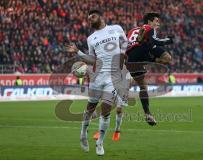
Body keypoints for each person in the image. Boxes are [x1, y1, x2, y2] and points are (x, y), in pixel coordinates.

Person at [66, 9, 127, 156]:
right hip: (97, 77)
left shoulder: (116, 29)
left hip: (112, 78)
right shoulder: (91, 38)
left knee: (106, 111)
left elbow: (125, 43)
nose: (90, 19)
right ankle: (83, 134)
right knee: (90, 109)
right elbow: (92, 59)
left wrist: (122, 58)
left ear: (100, 16)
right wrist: (78, 52)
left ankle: (100, 143)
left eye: (92, 16)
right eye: (88, 18)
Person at [125, 13, 173, 126]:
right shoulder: (149, 28)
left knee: (142, 85)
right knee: (167, 58)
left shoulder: (131, 30)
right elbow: (155, 41)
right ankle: (147, 113)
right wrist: (169, 40)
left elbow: (125, 43)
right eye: (156, 21)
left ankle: (148, 114)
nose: (158, 23)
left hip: (131, 58)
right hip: (143, 50)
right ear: (149, 21)